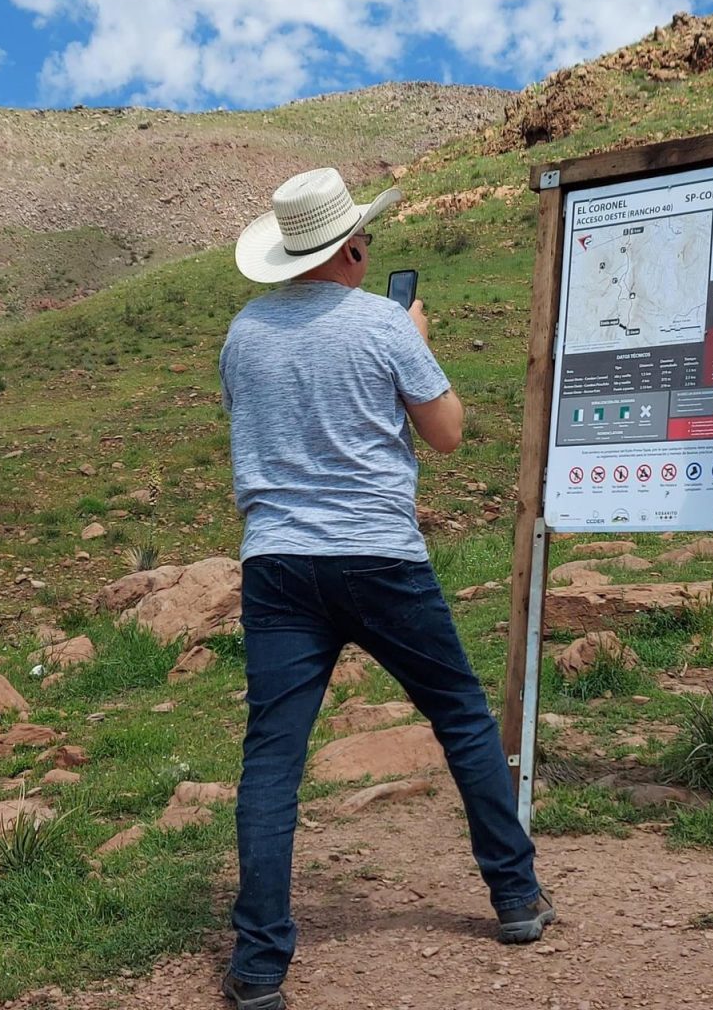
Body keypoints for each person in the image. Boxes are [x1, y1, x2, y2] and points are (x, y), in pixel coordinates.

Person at [219, 168, 554, 1010]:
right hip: (377, 558)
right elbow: (446, 436)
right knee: (461, 719)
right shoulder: (381, 323)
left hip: (276, 564)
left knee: (272, 760)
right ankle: (515, 897)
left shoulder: (242, 334)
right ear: (354, 248)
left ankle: (258, 965)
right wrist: (418, 340)